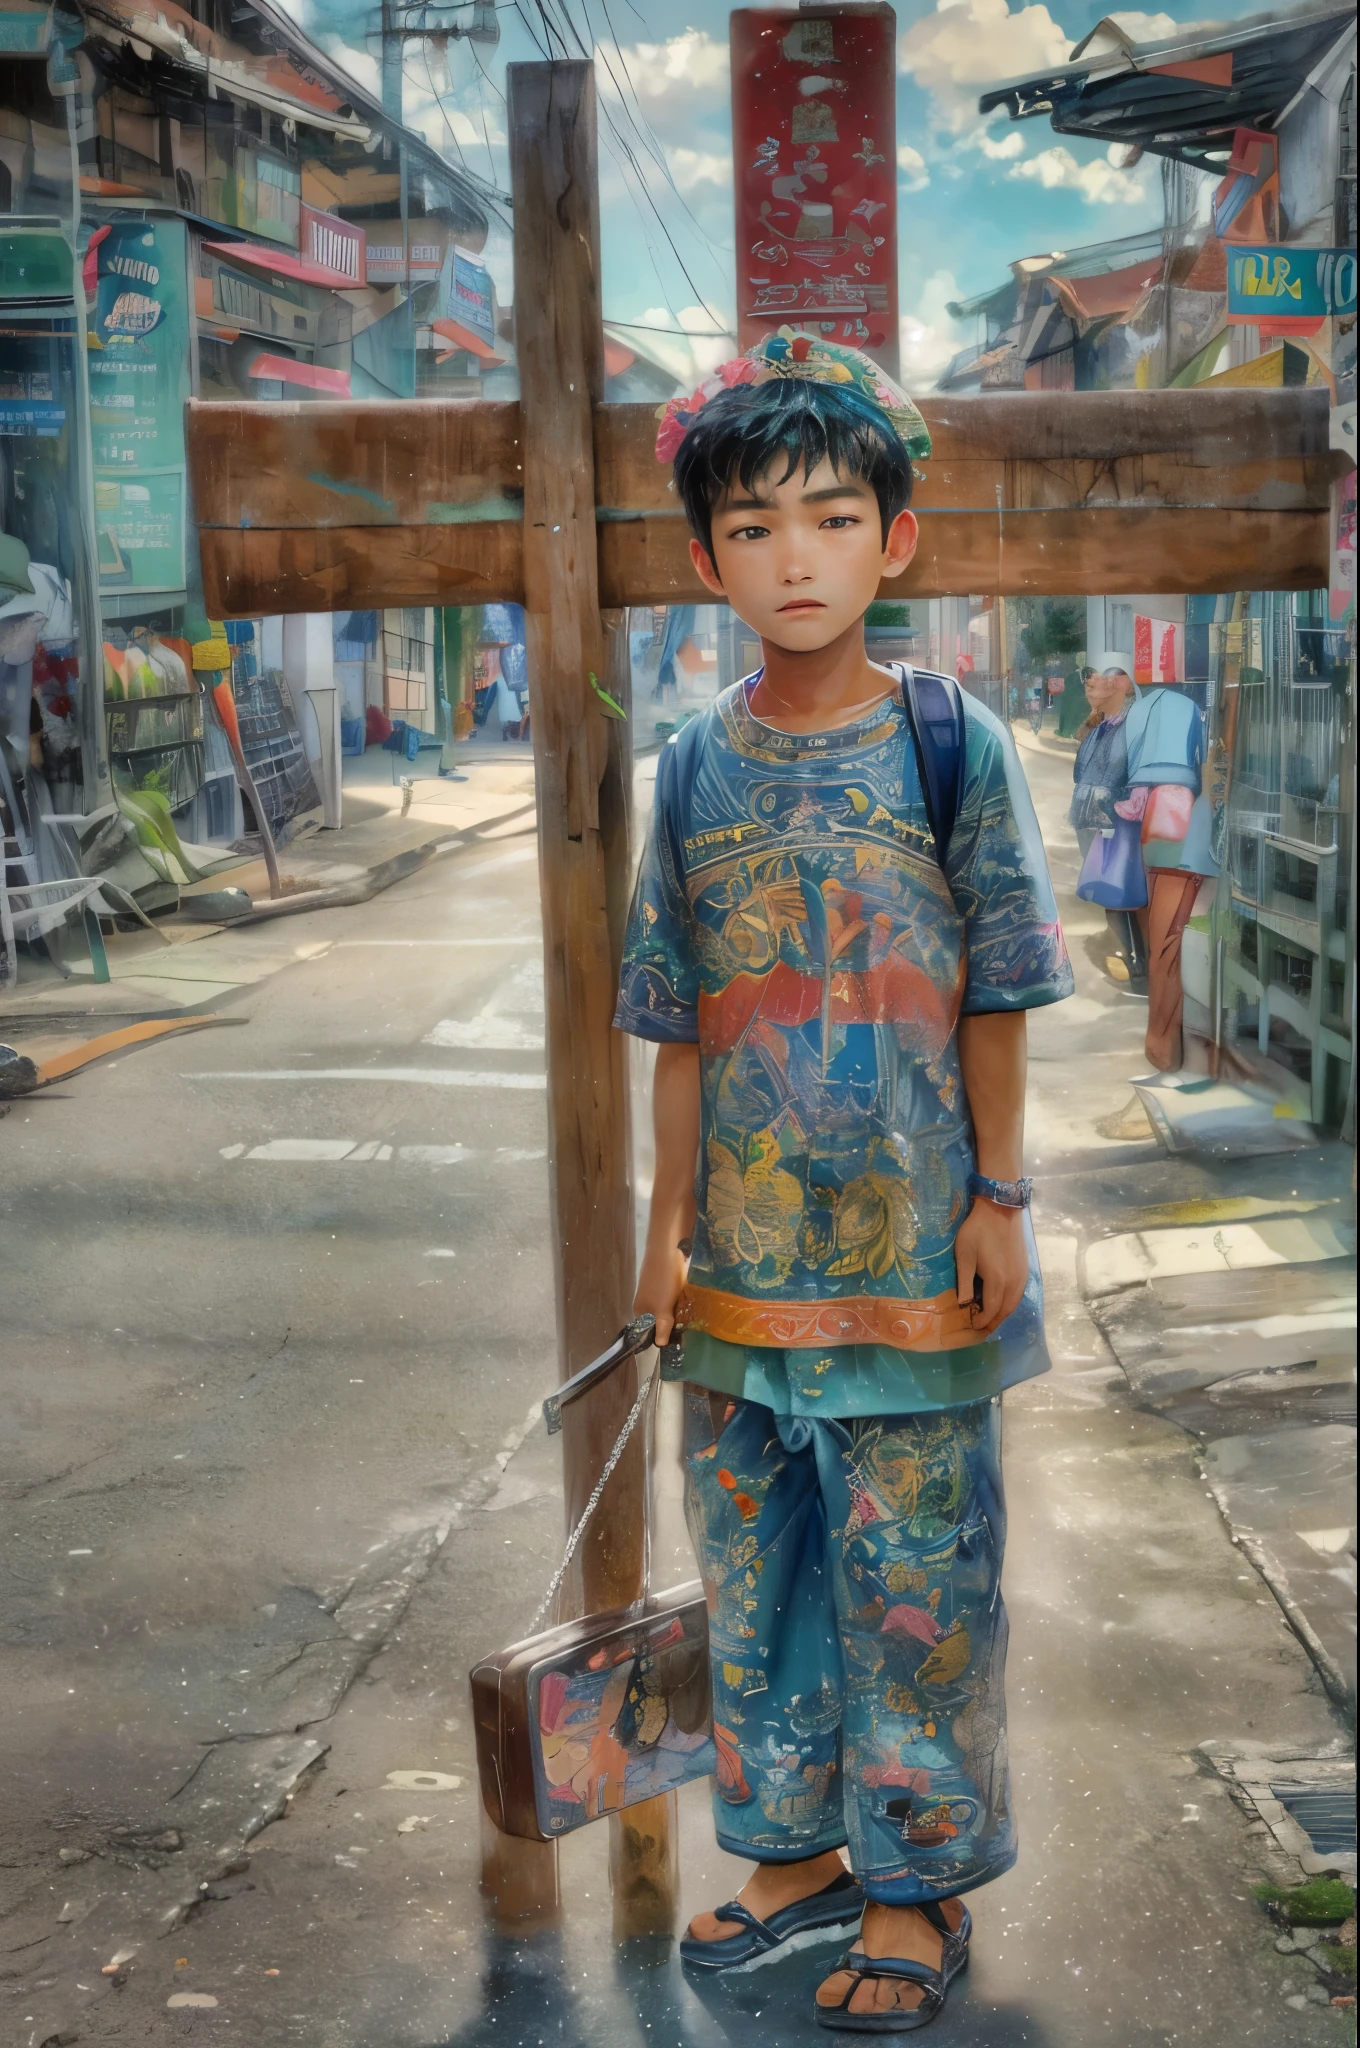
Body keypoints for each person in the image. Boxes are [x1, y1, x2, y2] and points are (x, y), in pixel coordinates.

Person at [618, 331, 1074, 2033]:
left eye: (826, 515)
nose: (791, 555)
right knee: (758, 1569)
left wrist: (1001, 1197)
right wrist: (663, 1236)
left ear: (895, 537)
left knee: (919, 1577)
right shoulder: (687, 769)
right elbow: (672, 1021)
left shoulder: (954, 743)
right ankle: (794, 1852)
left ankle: (917, 1882)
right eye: (752, 525)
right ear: (704, 556)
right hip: (736, 1270)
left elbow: (1001, 985)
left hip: (914, 1261)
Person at [1070, 656, 1146, 988]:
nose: (1089, 688)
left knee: (1128, 891)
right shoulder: (1101, 725)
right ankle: (1128, 955)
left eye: (1095, 682)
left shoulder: (1134, 722)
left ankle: (1140, 958)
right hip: (1093, 817)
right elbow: (1080, 770)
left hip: (1123, 817)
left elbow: (1127, 769)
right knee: (1108, 891)